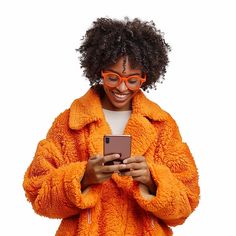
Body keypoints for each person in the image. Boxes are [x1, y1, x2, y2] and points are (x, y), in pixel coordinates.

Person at [23, 17, 200, 236]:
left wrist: (152, 180)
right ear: (100, 72)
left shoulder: (161, 126)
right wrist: (83, 177)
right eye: (113, 78)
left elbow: (187, 202)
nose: (122, 88)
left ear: (145, 78)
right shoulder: (70, 124)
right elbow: (38, 194)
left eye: (132, 80)